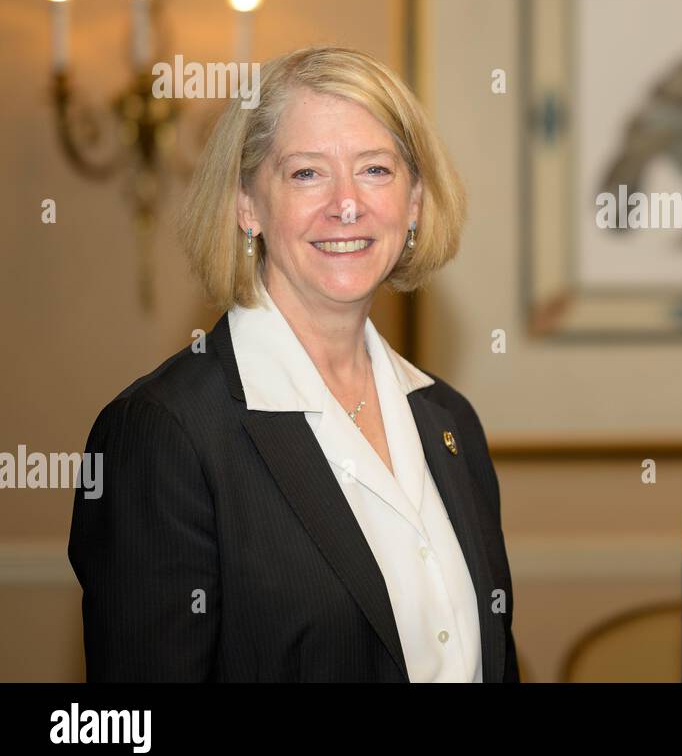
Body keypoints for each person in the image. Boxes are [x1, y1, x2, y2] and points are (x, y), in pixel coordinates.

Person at [69, 45, 518, 682]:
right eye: (307, 173)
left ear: (414, 201)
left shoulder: (449, 422)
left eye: (376, 170)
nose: (347, 204)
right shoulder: (164, 434)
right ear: (247, 205)